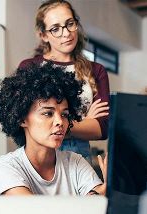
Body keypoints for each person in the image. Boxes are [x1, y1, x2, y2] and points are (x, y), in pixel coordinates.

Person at [0, 62, 107, 196]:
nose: (60, 121)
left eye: (65, 115)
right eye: (48, 113)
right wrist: (95, 197)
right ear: (22, 119)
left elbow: (96, 209)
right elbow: (38, 213)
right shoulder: (3, 168)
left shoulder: (76, 162)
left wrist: (103, 193)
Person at [18, 0, 110, 162]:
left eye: (70, 24)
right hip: (37, 156)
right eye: (55, 29)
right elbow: (20, 119)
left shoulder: (96, 70)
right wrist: (84, 122)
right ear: (43, 35)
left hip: (80, 156)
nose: (66, 33)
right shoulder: (30, 67)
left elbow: (102, 129)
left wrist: (49, 125)